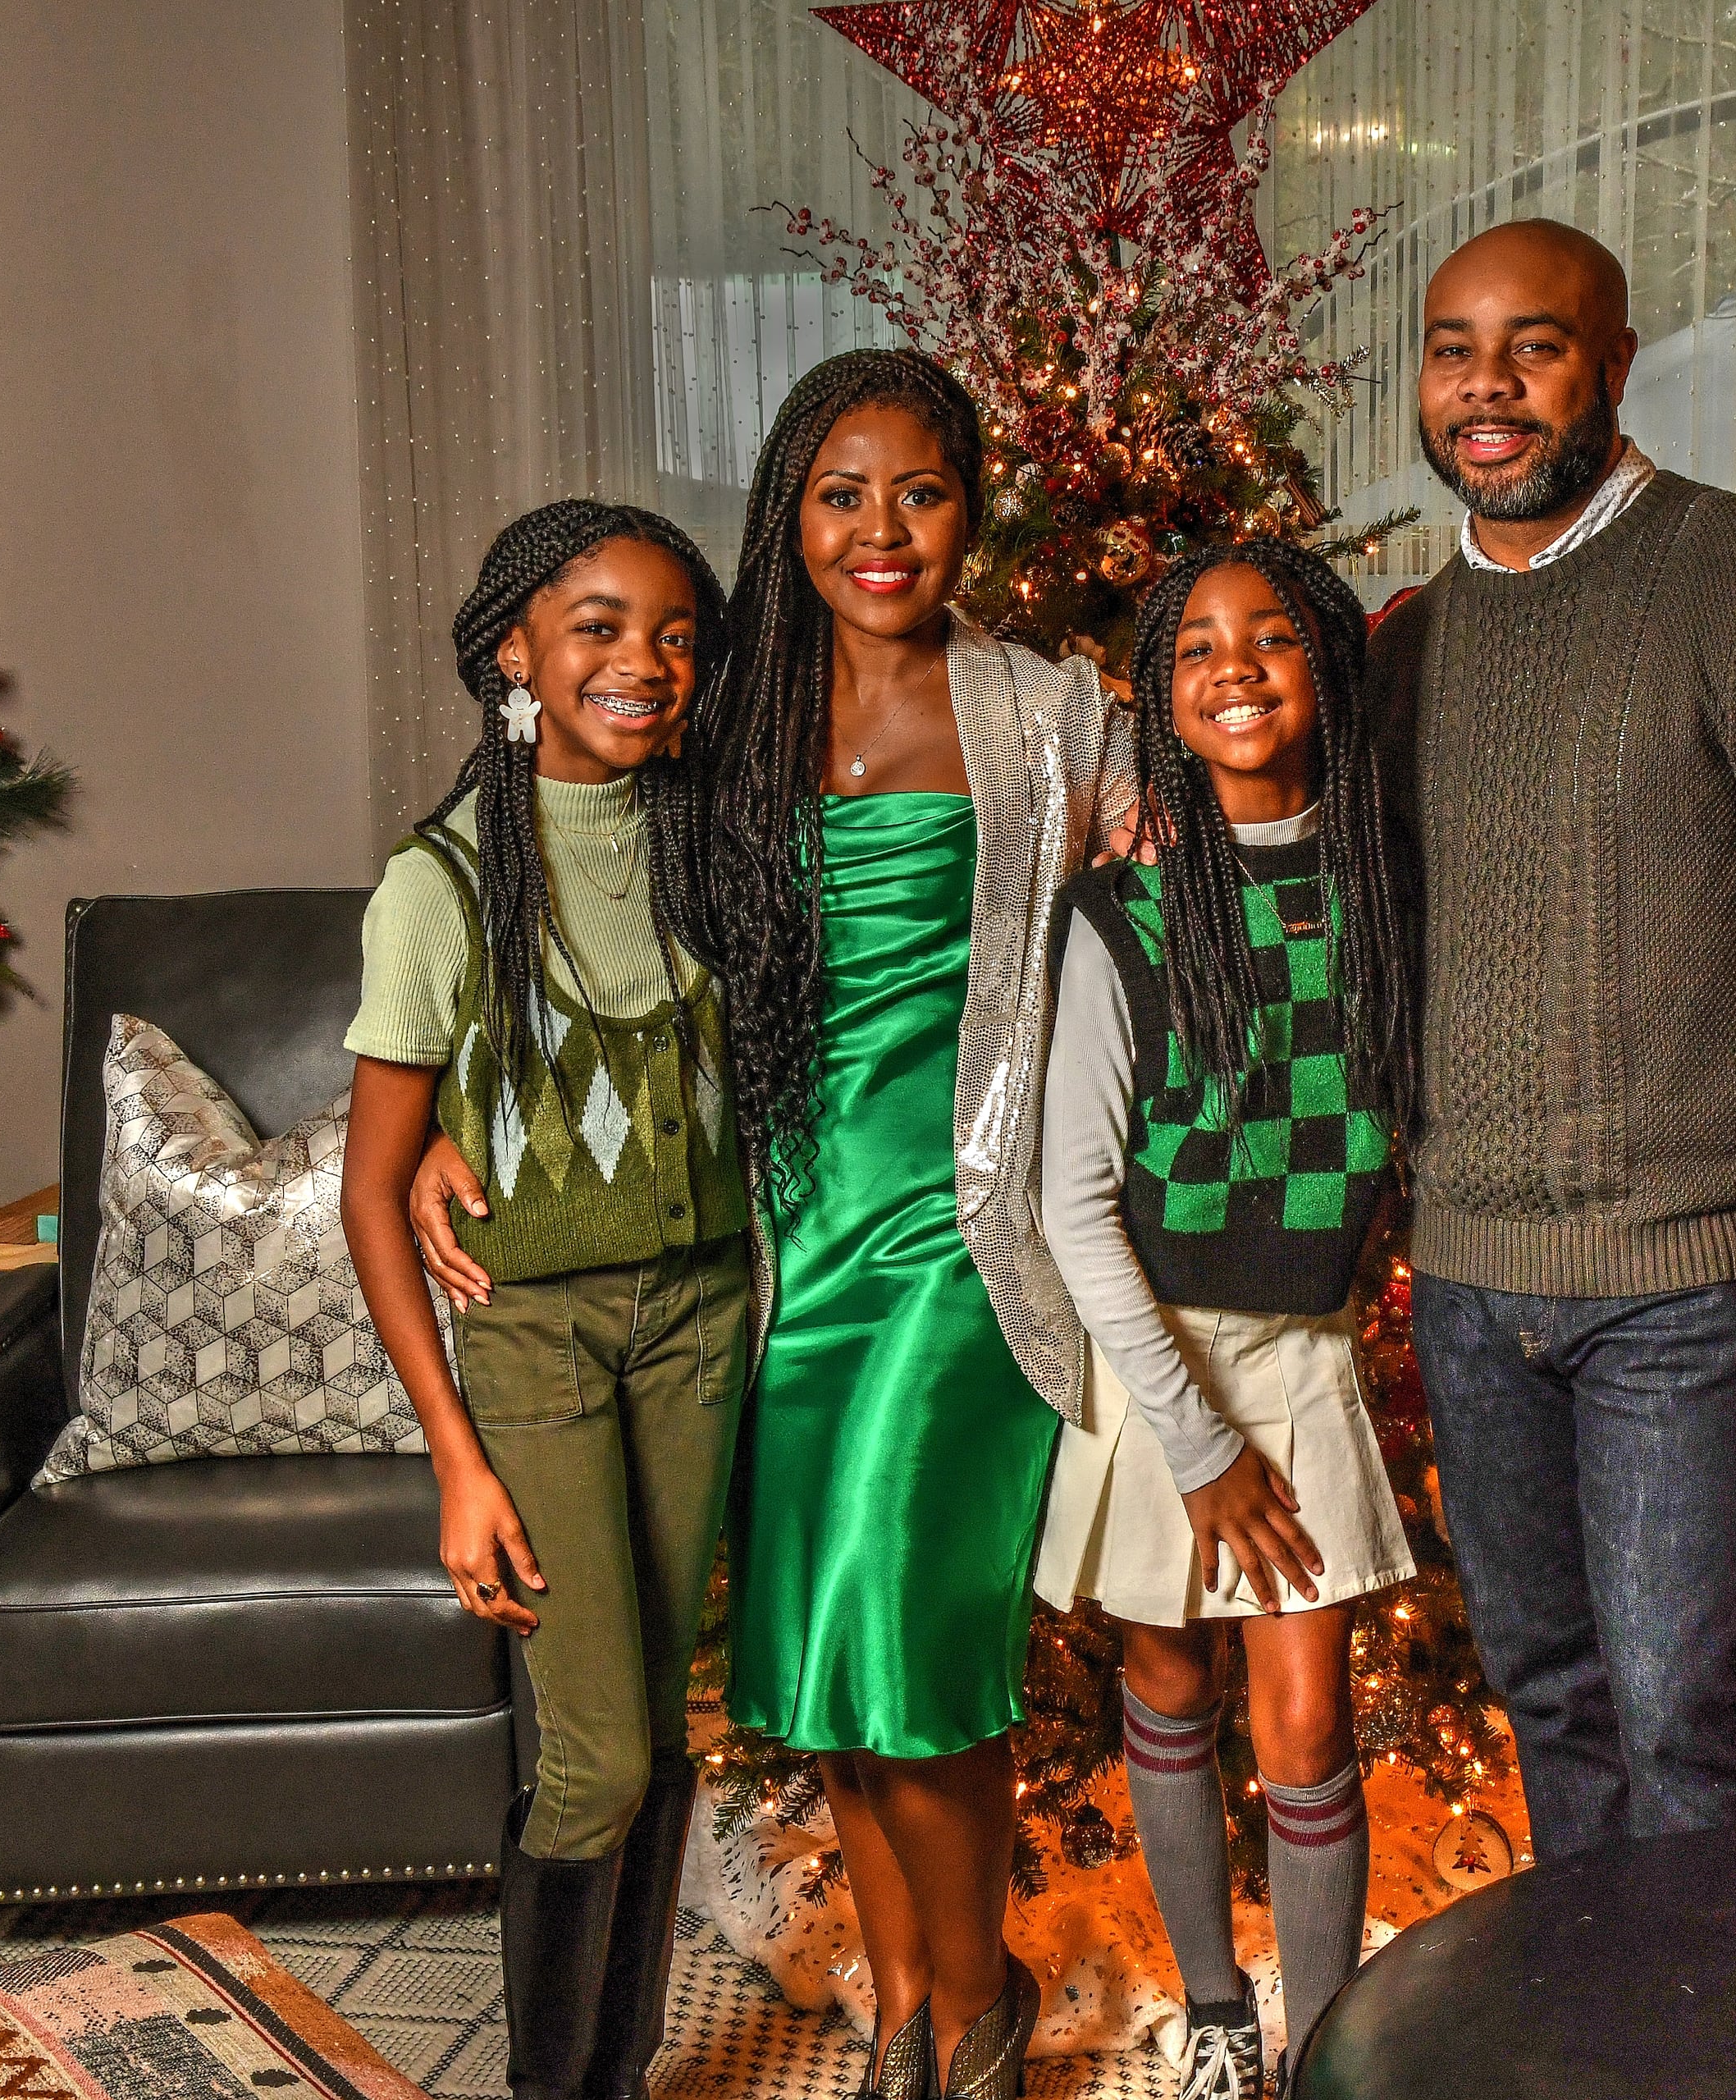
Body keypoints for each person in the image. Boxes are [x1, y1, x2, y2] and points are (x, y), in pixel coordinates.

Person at [412, 350, 1127, 2100]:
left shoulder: (1047, 711)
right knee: (815, 1666)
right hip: (773, 1245)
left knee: (911, 1647)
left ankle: (975, 2009)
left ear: (975, 509)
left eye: (924, 491)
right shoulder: (722, 706)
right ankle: (904, 2014)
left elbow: (1197, 919)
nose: (882, 530)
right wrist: (437, 1114)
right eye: (840, 493)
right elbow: (530, 873)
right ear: (788, 513)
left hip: (958, 1242)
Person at [1363, 219, 1736, 1861]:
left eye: (1532, 346)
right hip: (1474, 1283)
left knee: (1691, 1713)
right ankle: (1603, 2019)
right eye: (1454, 346)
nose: (1487, 384)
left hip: (1693, 1291)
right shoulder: (1409, 646)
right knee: (1550, 1696)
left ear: (1612, 368)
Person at [340, 500, 752, 2100]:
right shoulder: (441, 883)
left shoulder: (708, 840)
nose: (640, 662)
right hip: (541, 1341)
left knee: (669, 1731)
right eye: (596, 626)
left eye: (670, 634)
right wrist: (452, 1451)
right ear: (512, 649)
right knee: (599, 1752)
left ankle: (620, 2070)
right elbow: (376, 1188)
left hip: (706, 1319)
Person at [1032, 541, 1419, 2097]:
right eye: (1196, 648)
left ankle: (1321, 2037)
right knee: (1173, 1681)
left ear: (1328, 667)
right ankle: (1211, 2008)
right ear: (1162, 698)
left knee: (1308, 1710)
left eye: (1273, 637)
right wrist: (1192, 1443)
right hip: (1155, 1362)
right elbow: (1072, 1203)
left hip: (1301, 1358)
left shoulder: (1388, 887)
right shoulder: (1123, 910)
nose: (1237, 666)